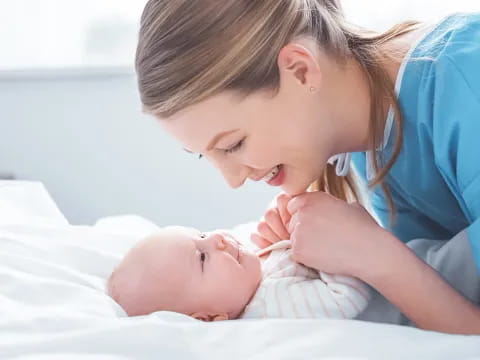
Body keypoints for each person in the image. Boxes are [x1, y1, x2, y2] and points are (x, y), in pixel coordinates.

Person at [134, 0, 480, 334]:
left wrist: (377, 256)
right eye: (203, 155)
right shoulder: (364, 142)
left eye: (233, 145)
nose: (233, 180)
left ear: (300, 70)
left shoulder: (466, 82)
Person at [107, 227, 370, 320]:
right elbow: (347, 298)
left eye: (201, 234)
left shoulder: (250, 278)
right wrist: (327, 249)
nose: (217, 239)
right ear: (208, 318)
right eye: (202, 257)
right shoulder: (271, 304)